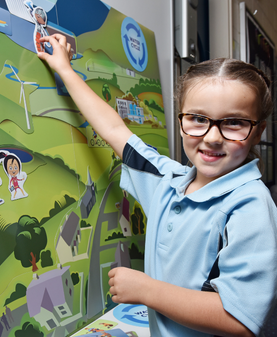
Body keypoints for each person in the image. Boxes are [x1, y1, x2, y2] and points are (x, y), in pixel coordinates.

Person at [38, 34, 277, 337]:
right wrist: (65, 70)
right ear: (181, 122)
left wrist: (147, 290)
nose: (213, 137)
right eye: (197, 118)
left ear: (257, 133)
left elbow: (240, 320)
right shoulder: (166, 180)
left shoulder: (251, 205)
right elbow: (114, 130)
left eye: (234, 122)